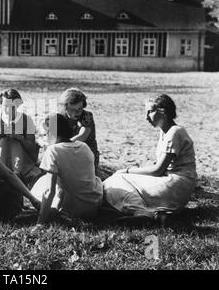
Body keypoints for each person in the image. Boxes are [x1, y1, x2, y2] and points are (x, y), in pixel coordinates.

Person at [103, 94, 197, 223]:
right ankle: (156, 214)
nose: (146, 117)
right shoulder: (165, 131)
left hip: (176, 184)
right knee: (116, 181)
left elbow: (158, 170)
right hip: (175, 182)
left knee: (117, 180)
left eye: (150, 112)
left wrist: (127, 170)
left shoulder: (175, 132)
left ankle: (141, 212)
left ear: (162, 111)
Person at [31, 113, 103, 224]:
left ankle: (53, 211)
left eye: (45, 134)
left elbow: (49, 191)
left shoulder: (53, 151)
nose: (45, 138)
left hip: (72, 209)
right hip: (93, 206)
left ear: (52, 133)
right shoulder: (84, 147)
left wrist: (40, 223)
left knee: (41, 182)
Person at [0, 89, 42, 188]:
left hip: (21, 156)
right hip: (1, 153)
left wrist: (19, 137)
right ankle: (2, 171)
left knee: (14, 142)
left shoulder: (26, 120)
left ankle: (18, 172)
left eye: (12, 107)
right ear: (1, 105)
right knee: (3, 141)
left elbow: (32, 148)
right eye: (5, 106)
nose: (8, 110)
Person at [58, 88, 100, 172]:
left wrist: (60, 146)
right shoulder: (58, 117)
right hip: (67, 154)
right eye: (72, 110)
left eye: (80, 109)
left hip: (86, 156)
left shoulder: (86, 116)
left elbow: (82, 136)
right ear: (64, 107)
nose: (77, 112)